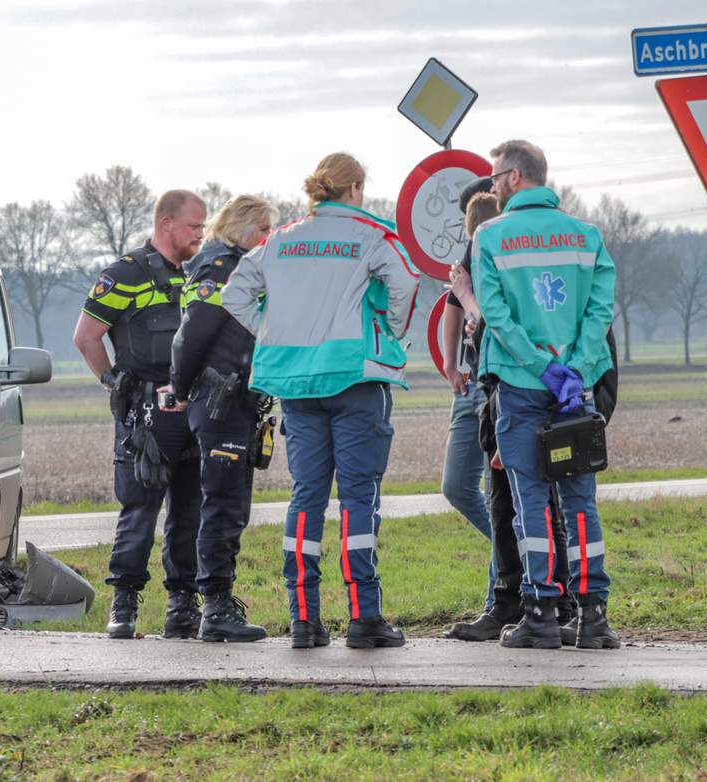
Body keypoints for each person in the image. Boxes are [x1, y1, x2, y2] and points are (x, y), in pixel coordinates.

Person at [222, 153, 419, 649]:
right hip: (354, 378)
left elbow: (235, 294)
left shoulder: (281, 240)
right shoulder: (371, 234)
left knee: (306, 498)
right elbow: (406, 282)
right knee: (358, 498)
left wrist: (271, 332)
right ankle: (364, 617)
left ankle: (304, 619)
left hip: (296, 386)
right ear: (354, 188)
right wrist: (389, 335)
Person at [471, 139, 620, 650]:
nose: (491, 186)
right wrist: (573, 369)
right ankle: (593, 618)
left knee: (529, 499)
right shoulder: (587, 237)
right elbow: (600, 313)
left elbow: (497, 317)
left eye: (494, 177)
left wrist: (541, 366)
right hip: (575, 391)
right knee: (580, 500)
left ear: (514, 177)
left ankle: (539, 613)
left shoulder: (490, 236)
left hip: (520, 383)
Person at [72, 189, 208, 640]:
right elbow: (86, 336)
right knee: (140, 509)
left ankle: (182, 606)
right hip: (145, 414)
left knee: (190, 511)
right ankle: (124, 603)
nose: (200, 235)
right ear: (167, 224)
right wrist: (114, 384)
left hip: (192, 409)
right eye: (194, 226)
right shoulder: (124, 274)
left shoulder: (197, 276)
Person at [168, 195, 277, 642]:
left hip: (236, 402)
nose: (269, 237)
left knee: (226, 506)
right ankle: (215, 608)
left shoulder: (234, 263)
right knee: (223, 507)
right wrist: (179, 387)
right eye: (264, 228)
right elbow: (191, 335)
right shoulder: (221, 267)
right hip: (221, 400)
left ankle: (205, 606)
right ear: (244, 228)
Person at [439, 188, 510, 638]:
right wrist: (449, 362)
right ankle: (517, 553)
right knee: (456, 487)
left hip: (498, 384)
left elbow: (483, 313)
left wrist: (468, 300)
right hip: (468, 383)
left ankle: (499, 599)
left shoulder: (504, 250)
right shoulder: (471, 252)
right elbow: (450, 304)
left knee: (496, 495)